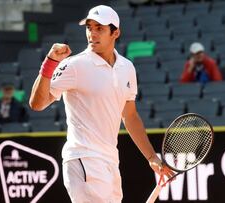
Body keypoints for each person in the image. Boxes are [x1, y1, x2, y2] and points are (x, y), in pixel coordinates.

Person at [29, 5, 174, 203]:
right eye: (89, 27)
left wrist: (151, 158)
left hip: (110, 163)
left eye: (100, 28)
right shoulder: (73, 65)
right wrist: (50, 63)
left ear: (115, 33)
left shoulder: (127, 67)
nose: (92, 33)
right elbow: (37, 104)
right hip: (82, 158)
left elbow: (129, 116)